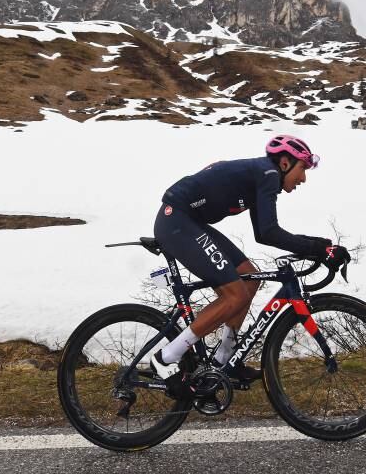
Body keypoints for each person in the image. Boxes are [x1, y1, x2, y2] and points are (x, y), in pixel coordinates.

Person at [150, 135, 351, 397]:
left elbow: (263, 233)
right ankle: (166, 358)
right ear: (284, 162)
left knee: (249, 277)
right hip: (176, 220)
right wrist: (320, 247)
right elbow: (270, 232)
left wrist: (318, 246)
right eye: (302, 169)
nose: (303, 178)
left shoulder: (262, 175)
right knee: (236, 294)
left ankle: (224, 360)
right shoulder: (267, 174)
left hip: (188, 221)